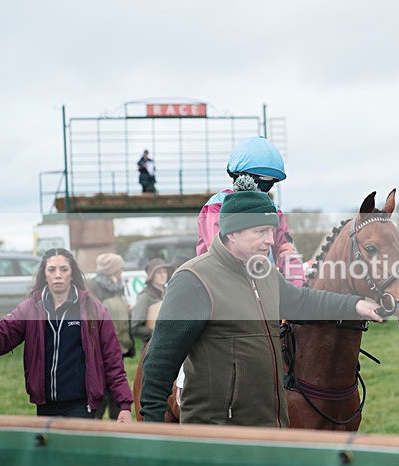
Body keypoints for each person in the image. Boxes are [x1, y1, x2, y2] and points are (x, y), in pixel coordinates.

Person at [139, 179, 383, 425]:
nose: (270, 241)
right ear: (232, 232)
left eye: (271, 231)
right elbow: (159, 364)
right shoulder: (193, 279)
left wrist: (354, 305)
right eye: (260, 232)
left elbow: (301, 300)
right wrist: (154, 435)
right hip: (217, 435)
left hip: (269, 429)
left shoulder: (264, 271)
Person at [0, 248, 133, 421]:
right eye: (52, 270)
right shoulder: (30, 308)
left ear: (72, 274)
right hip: (45, 405)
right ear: (44, 274)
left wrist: (124, 405)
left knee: (75, 448)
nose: (58, 275)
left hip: (81, 405)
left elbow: (113, 362)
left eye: (63, 269)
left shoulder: (94, 309)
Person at [196, 136, 304, 287]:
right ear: (239, 177)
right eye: (258, 181)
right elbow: (219, 252)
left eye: (268, 184)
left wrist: (298, 288)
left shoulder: (275, 210)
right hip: (217, 287)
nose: (260, 190)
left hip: (261, 285)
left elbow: (286, 250)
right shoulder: (217, 206)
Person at [87, 252, 135, 420]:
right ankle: (94, 425)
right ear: (112, 270)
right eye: (120, 268)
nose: (122, 271)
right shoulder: (93, 288)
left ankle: (117, 425)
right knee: (102, 392)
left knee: (117, 390)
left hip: (118, 347)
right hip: (101, 350)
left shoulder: (117, 286)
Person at [130, 258, 171, 344]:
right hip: (151, 347)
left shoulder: (170, 293)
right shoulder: (144, 297)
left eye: (164, 271)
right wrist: (157, 333)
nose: (163, 275)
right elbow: (134, 328)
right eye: (159, 272)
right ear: (152, 275)